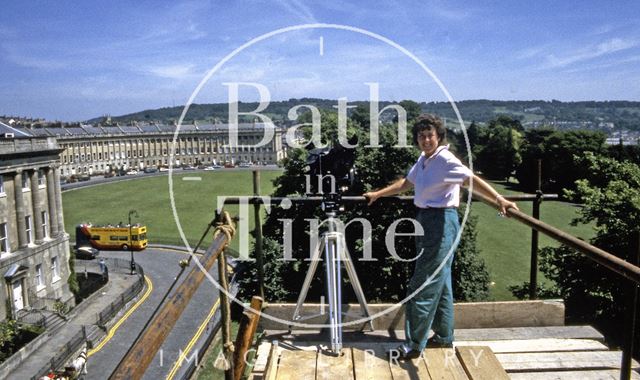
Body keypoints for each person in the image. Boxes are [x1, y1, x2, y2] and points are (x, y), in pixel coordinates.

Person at [363, 114, 518, 360]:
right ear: (417, 139)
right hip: (426, 220)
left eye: (430, 136)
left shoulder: (444, 159)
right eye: (421, 136)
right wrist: (378, 194)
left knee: (422, 284)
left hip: (441, 221)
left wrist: (499, 199)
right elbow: (406, 183)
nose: (426, 140)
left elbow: (470, 180)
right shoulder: (425, 160)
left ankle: (413, 345)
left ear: (438, 137)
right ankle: (444, 337)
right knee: (441, 282)